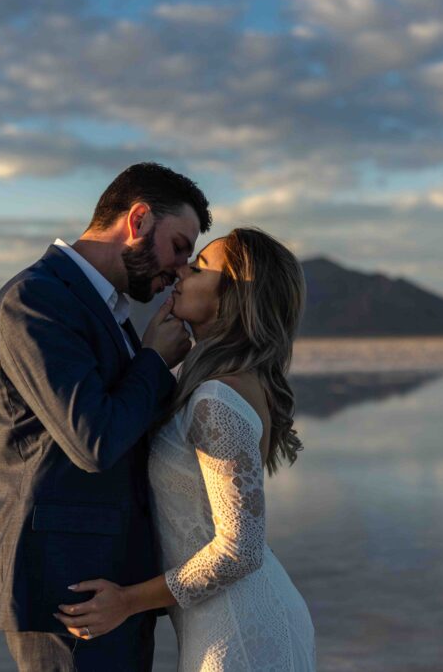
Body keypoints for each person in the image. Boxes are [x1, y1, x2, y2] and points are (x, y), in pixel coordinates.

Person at [0, 162, 211, 671]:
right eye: (179, 246)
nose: (179, 267)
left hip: (115, 587)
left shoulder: (109, 309)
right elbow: (94, 441)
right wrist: (153, 360)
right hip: (70, 593)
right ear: (139, 220)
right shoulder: (37, 300)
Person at [54, 228, 317, 670]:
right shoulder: (220, 384)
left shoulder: (218, 399)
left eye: (198, 269)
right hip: (226, 623)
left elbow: (240, 549)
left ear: (234, 296)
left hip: (240, 634)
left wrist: (126, 602)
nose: (180, 270)